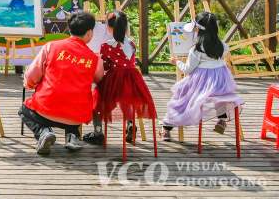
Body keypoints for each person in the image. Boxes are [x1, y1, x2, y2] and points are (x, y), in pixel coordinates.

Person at [19, 11, 104, 155]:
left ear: (69, 29)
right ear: (89, 33)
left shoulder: (51, 46)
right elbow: (99, 78)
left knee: (24, 110)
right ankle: (72, 136)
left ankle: (43, 132)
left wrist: (30, 84)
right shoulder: (94, 58)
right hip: (77, 114)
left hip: (46, 109)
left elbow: (32, 75)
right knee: (75, 101)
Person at [162, 12, 243, 141]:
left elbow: (188, 70)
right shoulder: (222, 46)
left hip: (201, 83)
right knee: (220, 96)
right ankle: (222, 119)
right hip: (221, 81)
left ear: (198, 30)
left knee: (181, 98)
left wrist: (176, 61)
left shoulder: (197, 49)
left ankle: (167, 127)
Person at [82, 11, 156, 145]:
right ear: (125, 26)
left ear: (109, 27)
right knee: (127, 101)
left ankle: (98, 132)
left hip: (114, 78)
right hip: (132, 78)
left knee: (97, 104)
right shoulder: (132, 44)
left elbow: (104, 66)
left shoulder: (107, 46)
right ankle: (130, 124)